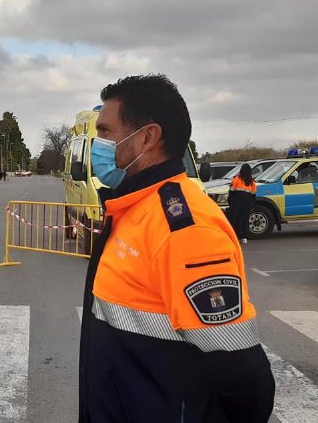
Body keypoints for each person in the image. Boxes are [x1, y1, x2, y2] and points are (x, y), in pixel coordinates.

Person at [79, 75, 274, 422]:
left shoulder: (184, 230)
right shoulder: (134, 207)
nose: (99, 144)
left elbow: (242, 374)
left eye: (106, 132)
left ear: (147, 137)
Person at [228, 164, 257, 244]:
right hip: (247, 204)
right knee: (244, 220)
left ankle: (234, 237)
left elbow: (231, 192)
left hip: (236, 203)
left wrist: (230, 201)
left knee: (235, 220)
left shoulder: (236, 179)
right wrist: (252, 205)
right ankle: (243, 237)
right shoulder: (252, 182)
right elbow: (253, 196)